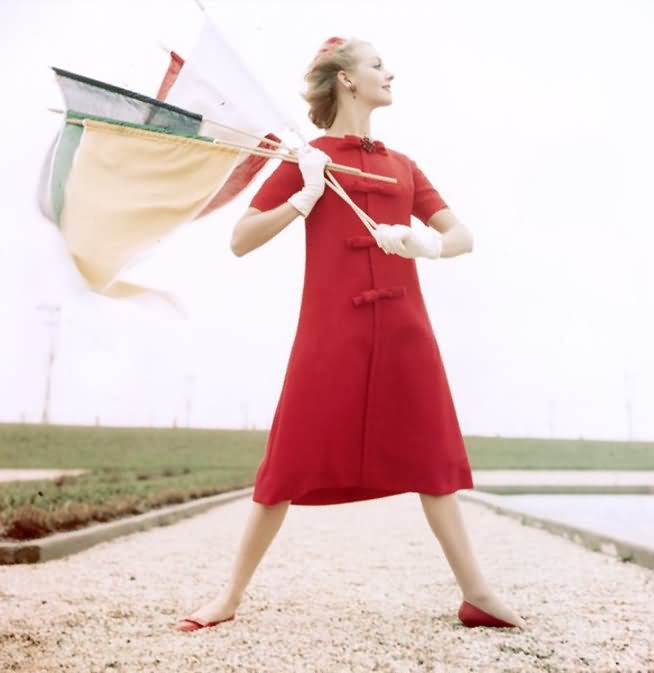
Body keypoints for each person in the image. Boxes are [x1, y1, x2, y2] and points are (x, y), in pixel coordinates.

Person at [176, 36, 526, 632]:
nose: (391, 73)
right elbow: (240, 239)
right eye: (378, 65)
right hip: (330, 332)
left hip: (406, 332)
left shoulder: (404, 165)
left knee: (433, 460)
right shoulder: (306, 160)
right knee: (285, 464)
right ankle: (229, 597)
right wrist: (305, 196)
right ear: (346, 79)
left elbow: (462, 236)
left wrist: (424, 244)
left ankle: (477, 593)